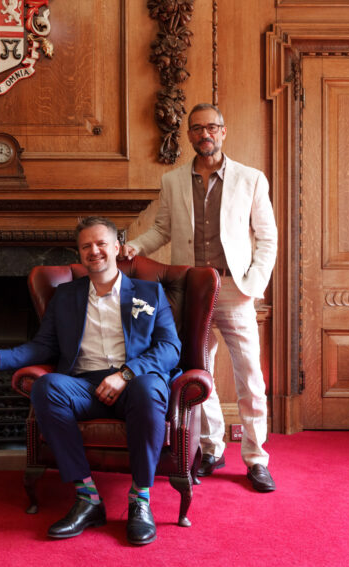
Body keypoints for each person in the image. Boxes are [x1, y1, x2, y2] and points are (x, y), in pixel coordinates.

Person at [0, 216, 181, 546]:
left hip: (134, 383)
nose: (94, 251)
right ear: (79, 253)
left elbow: (169, 348)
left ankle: (140, 499)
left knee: (150, 387)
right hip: (83, 387)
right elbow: (42, 346)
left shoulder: (150, 293)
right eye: (86, 246)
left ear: (118, 248)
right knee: (47, 386)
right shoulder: (66, 296)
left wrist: (125, 375)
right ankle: (88, 498)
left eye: (101, 244)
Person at [122, 103, 278, 493]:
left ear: (223, 132)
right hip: (191, 292)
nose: (204, 134)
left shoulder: (251, 179)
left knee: (250, 377)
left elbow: (268, 238)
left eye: (211, 127)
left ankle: (257, 458)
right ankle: (211, 448)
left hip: (234, 291)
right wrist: (134, 247)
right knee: (197, 370)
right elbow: (161, 229)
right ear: (189, 135)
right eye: (196, 128)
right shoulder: (173, 181)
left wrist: (252, 285)